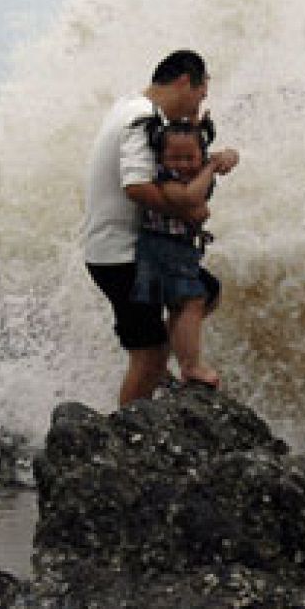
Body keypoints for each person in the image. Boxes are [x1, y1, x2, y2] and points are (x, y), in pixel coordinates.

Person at [81, 50, 239, 405]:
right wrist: (189, 213)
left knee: (205, 292)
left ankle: (157, 374)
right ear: (185, 81)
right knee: (149, 354)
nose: (200, 102)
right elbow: (136, 186)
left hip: (125, 251)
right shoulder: (142, 118)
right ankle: (125, 437)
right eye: (201, 93)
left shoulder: (130, 106)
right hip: (121, 256)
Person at [131, 118, 236, 389]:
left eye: (190, 157)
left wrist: (227, 157)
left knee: (207, 295)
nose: (183, 164)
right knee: (192, 300)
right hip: (162, 247)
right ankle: (191, 367)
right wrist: (210, 167)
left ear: (201, 152)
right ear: (161, 157)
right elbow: (191, 198)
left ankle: (161, 358)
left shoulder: (199, 165)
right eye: (174, 157)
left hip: (180, 249)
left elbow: (231, 156)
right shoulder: (165, 178)